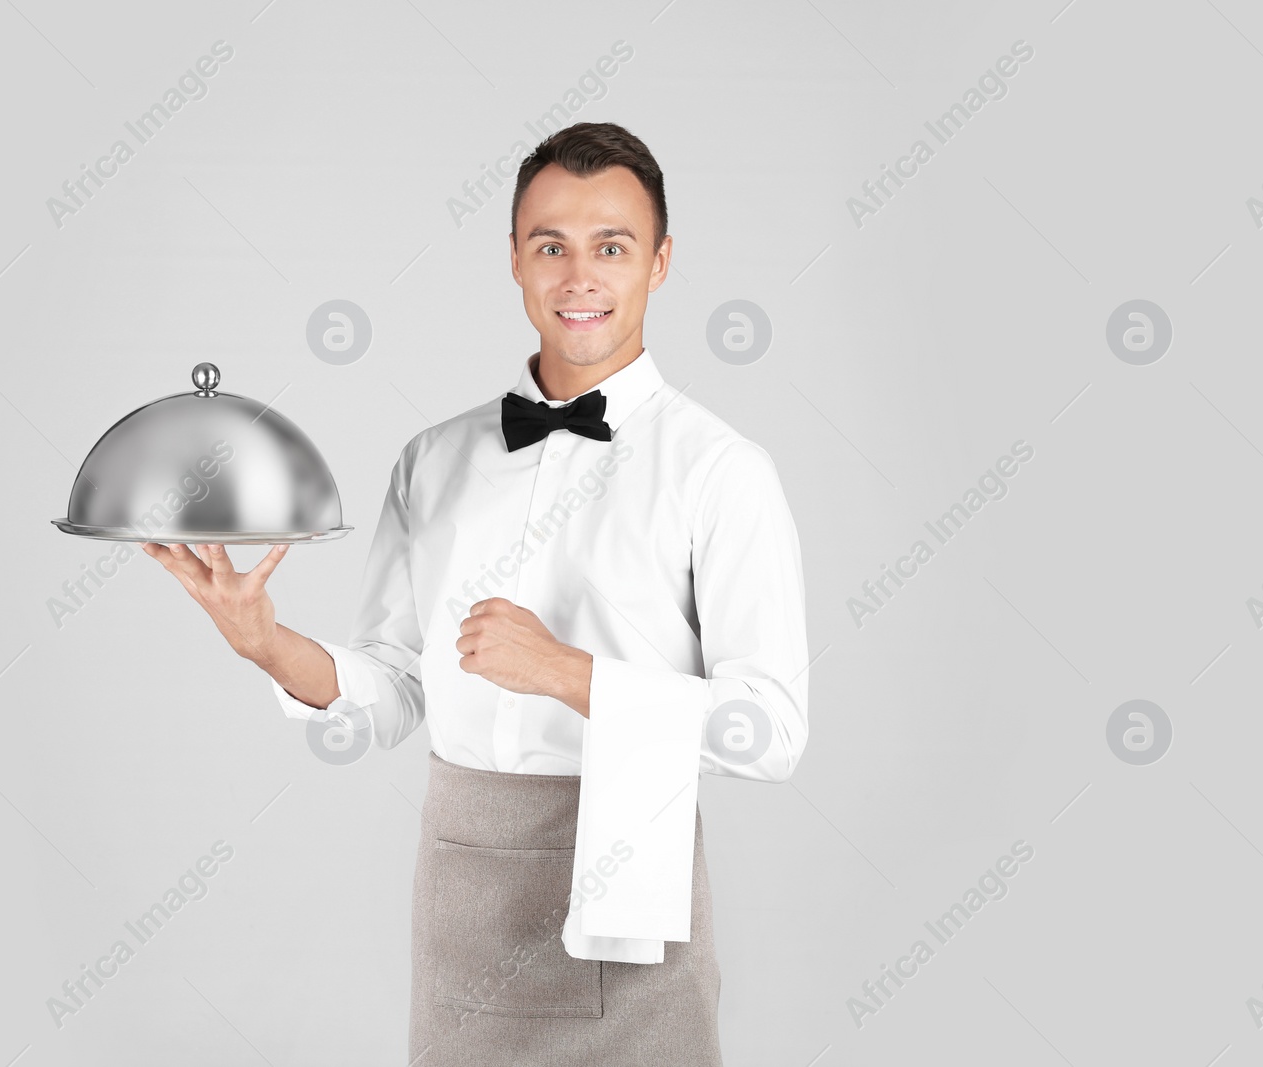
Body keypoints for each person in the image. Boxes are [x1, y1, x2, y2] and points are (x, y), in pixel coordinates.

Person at [142, 121, 809, 1066]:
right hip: (464, 903)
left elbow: (769, 731)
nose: (579, 277)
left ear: (660, 263)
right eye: (551, 246)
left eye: (611, 247)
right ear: (513, 260)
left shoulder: (722, 471)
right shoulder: (434, 459)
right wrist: (267, 643)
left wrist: (567, 671)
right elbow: (390, 685)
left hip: (634, 901)